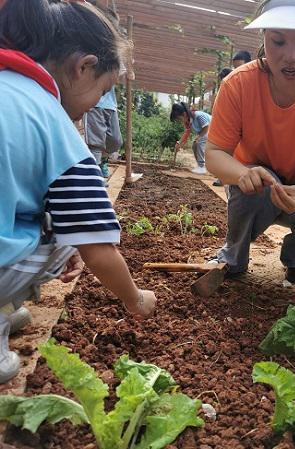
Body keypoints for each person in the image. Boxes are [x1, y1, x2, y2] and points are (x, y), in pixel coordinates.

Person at [0, 0, 156, 384]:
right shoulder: (58, 131)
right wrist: (135, 300)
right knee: (68, 236)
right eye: (103, 90)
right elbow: (99, 249)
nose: (92, 108)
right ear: (83, 67)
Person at [205, 0, 295, 284]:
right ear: (263, 38)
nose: (290, 57)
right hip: (252, 189)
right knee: (261, 181)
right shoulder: (238, 85)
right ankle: (233, 256)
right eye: (278, 42)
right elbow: (214, 153)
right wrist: (243, 173)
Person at [83, 86, 122, 178]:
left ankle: (103, 159)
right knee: (95, 143)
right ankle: (94, 175)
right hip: (94, 103)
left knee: (115, 141)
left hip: (110, 104)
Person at [170, 102, 211, 175]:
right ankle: (200, 166)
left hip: (214, 129)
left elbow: (206, 127)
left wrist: (198, 138)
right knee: (194, 145)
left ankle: (202, 167)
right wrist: (179, 143)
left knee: (198, 142)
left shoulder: (198, 116)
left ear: (184, 114)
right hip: (206, 132)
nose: (180, 121)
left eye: (179, 119)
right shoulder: (187, 122)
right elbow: (186, 133)